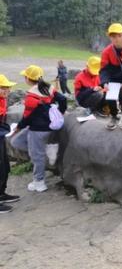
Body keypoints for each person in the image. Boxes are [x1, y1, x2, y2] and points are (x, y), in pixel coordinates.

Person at [9, 65, 67, 193]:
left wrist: (18, 127)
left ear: (28, 79)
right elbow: (63, 99)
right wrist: (60, 112)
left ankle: (39, 182)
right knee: (17, 142)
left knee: (37, 157)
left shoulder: (31, 96)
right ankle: (44, 150)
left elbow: (26, 118)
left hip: (38, 130)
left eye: (25, 76)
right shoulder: (48, 88)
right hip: (49, 127)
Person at [0, 75, 20, 213]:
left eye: (8, 87)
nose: (8, 90)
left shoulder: (3, 100)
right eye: (4, 87)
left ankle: (1, 194)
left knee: (4, 166)